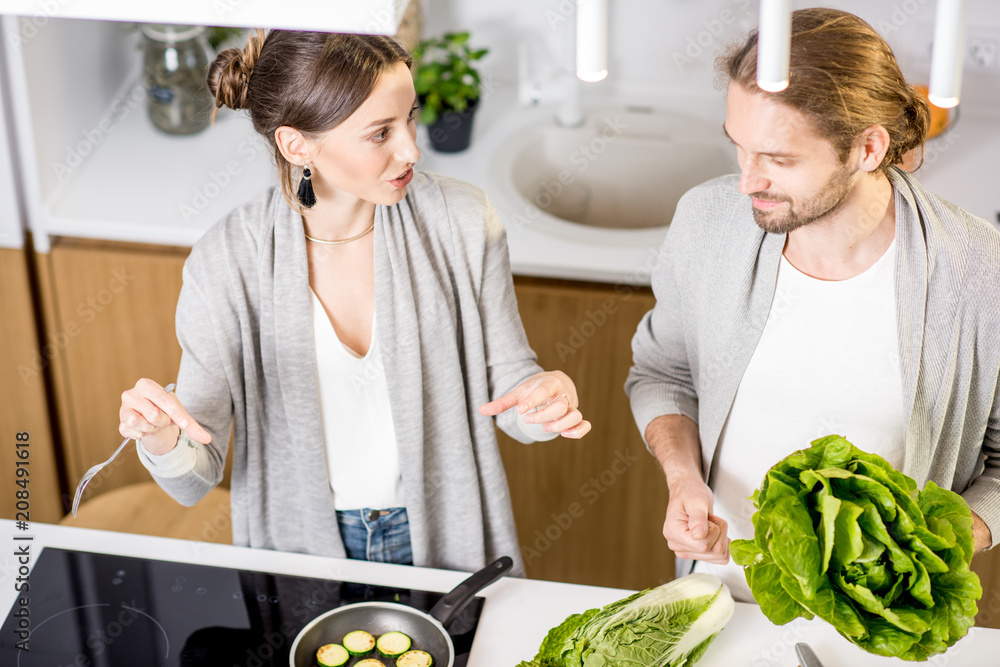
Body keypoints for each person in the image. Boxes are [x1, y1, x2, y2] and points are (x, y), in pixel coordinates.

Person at [118, 29, 590, 576]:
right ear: (297, 145)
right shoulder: (227, 262)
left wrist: (543, 402)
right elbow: (193, 479)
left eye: (410, 116)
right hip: (298, 550)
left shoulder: (462, 221)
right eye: (380, 133)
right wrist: (159, 437)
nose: (411, 148)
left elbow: (511, 390)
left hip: (444, 531)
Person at [625, 7, 1000, 602]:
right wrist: (683, 478)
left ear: (868, 148)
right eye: (740, 148)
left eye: (779, 158)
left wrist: (947, 539)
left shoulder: (979, 270)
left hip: (885, 613)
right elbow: (661, 374)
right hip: (721, 599)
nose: (747, 181)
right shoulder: (707, 221)